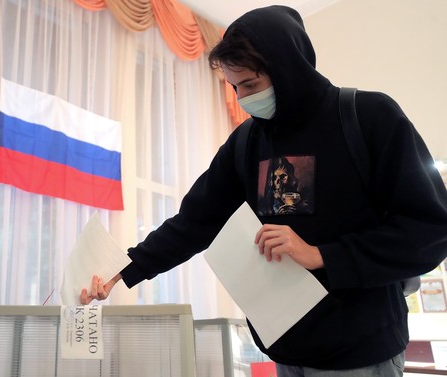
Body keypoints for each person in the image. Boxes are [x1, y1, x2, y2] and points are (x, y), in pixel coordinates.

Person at [80, 5, 447, 376]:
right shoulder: (246, 142)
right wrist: (125, 269)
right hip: (286, 351)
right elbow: (195, 222)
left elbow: (430, 231)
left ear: (289, 69)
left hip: (361, 353)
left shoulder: (368, 117)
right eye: (235, 87)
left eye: (251, 86)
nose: (242, 99)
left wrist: (323, 255)